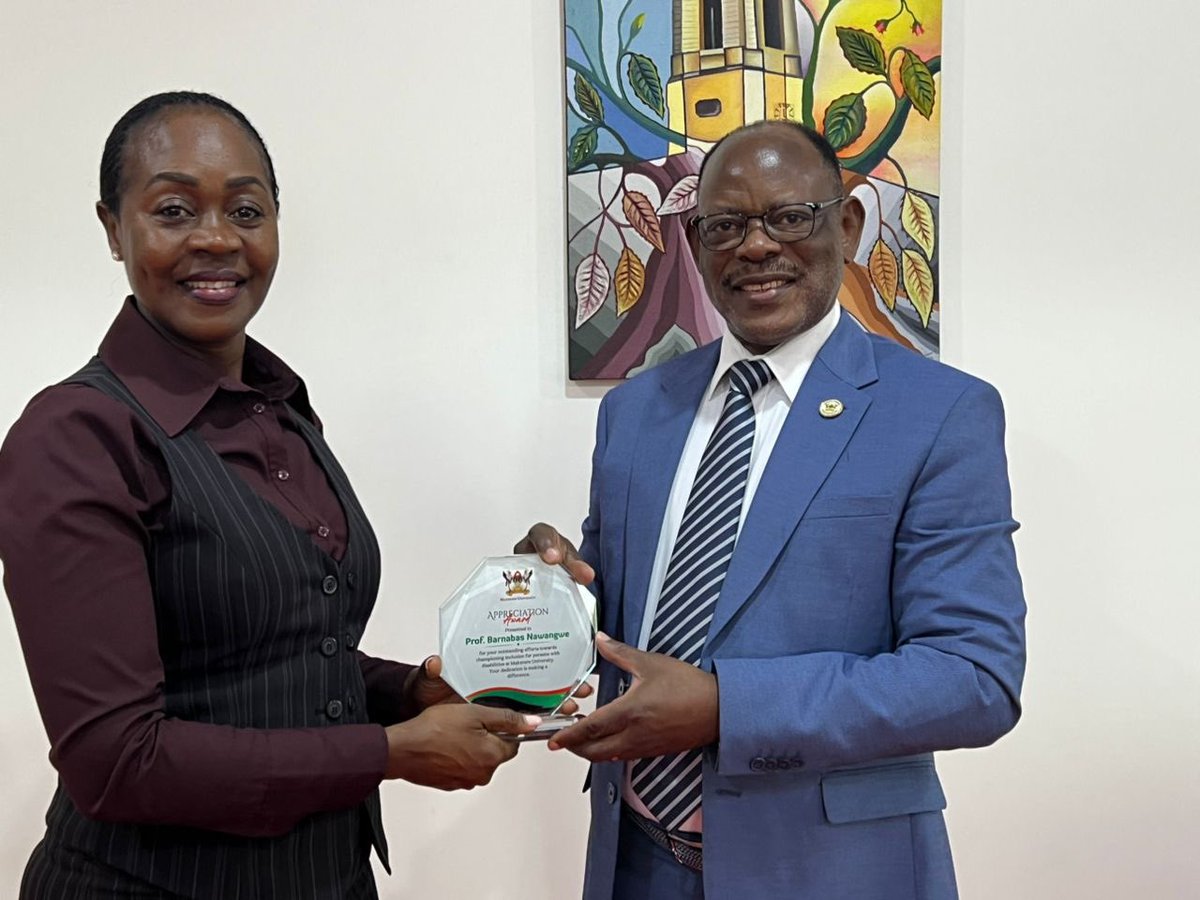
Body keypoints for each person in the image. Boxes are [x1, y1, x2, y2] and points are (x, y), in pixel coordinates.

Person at [0, 91, 550, 899]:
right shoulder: (76, 435)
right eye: (175, 209)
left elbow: (281, 657)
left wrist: (411, 691)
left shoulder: (280, 408)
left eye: (247, 209)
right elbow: (117, 761)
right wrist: (392, 752)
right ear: (114, 229)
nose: (217, 238)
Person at [519, 120, 1026, 899]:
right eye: (725, 225)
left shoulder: (940, 413)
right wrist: (553, 596)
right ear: (694, 242)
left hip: (831, 872)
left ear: (848, 225)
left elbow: (973, 677)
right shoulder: (636, 409)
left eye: (790, 217)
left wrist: (728, 706)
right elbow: (631, 623)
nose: (755, 247)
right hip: (636, 861)